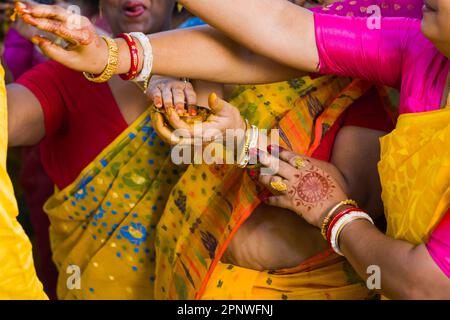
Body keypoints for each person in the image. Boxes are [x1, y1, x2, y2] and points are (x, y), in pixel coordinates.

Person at [18, 0, 450, 299]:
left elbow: (425, 284)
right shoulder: (419, 51)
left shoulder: (362, 97)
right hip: (197, 282)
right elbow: (279, 29)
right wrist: (113, 54)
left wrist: (338, 217)